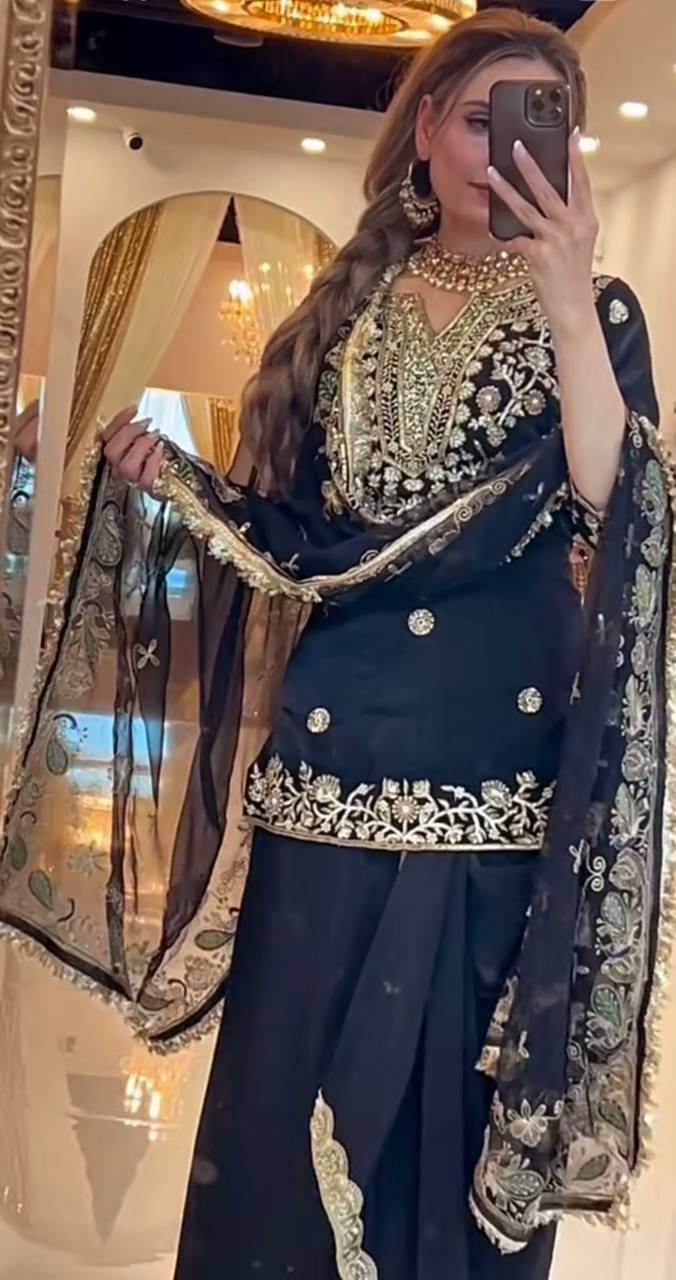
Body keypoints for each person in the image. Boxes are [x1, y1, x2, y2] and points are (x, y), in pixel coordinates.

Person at [0, 9, 673, 1279]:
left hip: (493, 777)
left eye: (537, 128)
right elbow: (306, 537)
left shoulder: (595, 312)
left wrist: (568, 296)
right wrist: (178, 484)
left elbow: (611, 499)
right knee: (285, 1100)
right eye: (477, 121)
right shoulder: (348, 307)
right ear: (422, 132)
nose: (502, 155)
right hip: (329, 759)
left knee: (444, 1117)